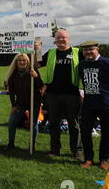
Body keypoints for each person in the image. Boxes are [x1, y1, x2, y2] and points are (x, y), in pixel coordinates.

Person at [35, 28, 84, 157]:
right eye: (58, 38)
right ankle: (54, 150)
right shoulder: (51, 53)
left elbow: (91, 63)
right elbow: (37, 65)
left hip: (72, 94)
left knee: (73, 125)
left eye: (64, 37)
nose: (61, 40)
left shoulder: (78, 52)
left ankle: (76, 151)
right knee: (53, 123)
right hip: (52, 94)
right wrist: (37, 50)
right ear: (55, 41)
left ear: (69, 38)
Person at [78, 41, 109, 170]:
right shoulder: (82, 65)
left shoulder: (106, 63)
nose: (88, 52)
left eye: (91, 49)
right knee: (85, 132)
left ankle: (103, 159)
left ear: (97, 49)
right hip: (89, 104)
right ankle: (88, 158)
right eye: (85, 50)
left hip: (107, 105)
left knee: (106, 133)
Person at [5, 53, 44, 151]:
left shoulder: (32, 71)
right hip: (20, 103)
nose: (22, 62)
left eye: (24, 60)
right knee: (12, 122)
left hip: (34, 102)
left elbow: (41, 86)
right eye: (19, 60)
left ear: (27, 62)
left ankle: (32, 146)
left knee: (33, 123)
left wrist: (36, 77)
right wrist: (13, 105)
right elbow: (11, 92)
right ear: (16, 62)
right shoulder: (13, 75)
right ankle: (11, 144)